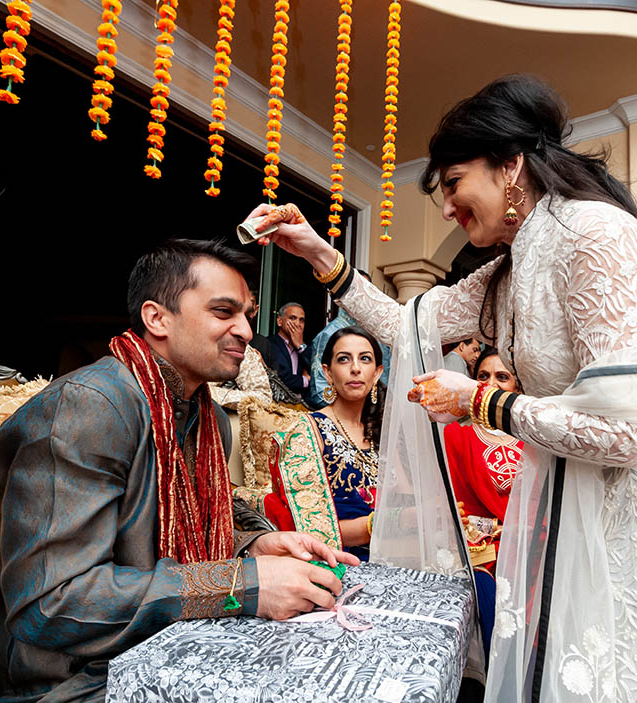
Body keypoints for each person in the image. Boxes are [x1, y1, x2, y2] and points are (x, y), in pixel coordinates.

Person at [246, 74, 637, 702]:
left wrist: (478, 400)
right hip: (551, 506)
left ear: (511, 166)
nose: (449, 207)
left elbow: (627, 431)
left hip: (610, 518)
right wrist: (320, 253)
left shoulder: (593, 234)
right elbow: (408, 323)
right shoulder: (508, 270)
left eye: (454, 183)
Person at [0, 239, 359, 702]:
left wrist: (255, 543)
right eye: (223, 311)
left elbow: (183, 524)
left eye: (248, 315)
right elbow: (52, 605)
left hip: (167, 648)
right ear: (157, 318)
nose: (245, 331)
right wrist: (243, 583)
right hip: (68, 680)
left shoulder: (206, 416)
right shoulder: (89, 408)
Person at [264, 327, 385, 562]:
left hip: (395, 557)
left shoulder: (383, 432)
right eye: (344, 359)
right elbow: (312, 533)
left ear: (377, 373)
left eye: (365, 359)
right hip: (338, 563)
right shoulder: (306, 431)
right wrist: (386, 524)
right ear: (328, 373)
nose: (356, 368)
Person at [445, 348, 524, 662]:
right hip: (483, 554)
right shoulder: (457, 436)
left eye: (502, 377)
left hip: (531, 549)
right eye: (483, 376)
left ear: (517, 387)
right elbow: (453, 506)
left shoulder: (534, 439)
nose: (491, 383)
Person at [268, 301, 312, 394]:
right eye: (293, 318)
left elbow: (319, 375)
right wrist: (306, 380)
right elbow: (279, 380)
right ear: (279, 321)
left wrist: (300, 346)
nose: (297, 323)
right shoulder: (269, 344)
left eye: (301, 320)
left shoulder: (306, 350)